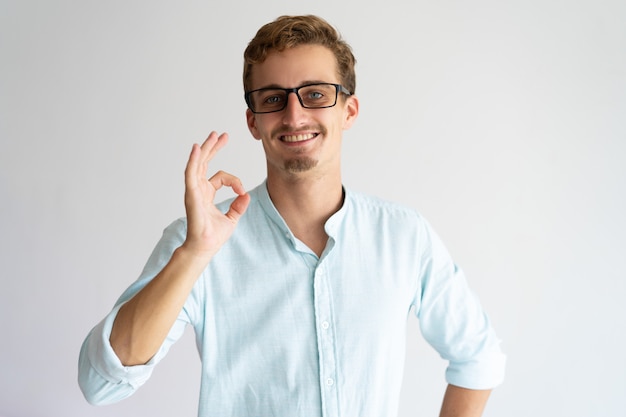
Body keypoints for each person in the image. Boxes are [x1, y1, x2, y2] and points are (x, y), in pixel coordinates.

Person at [78, 14, 505, 417]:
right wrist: (194, 254)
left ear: (349, 110)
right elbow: (102, 383)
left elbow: (478, 357)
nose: (294, 115)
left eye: (315, 94)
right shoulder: (198, 240)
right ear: (253, 121)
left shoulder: (403, 236)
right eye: (274, 99)